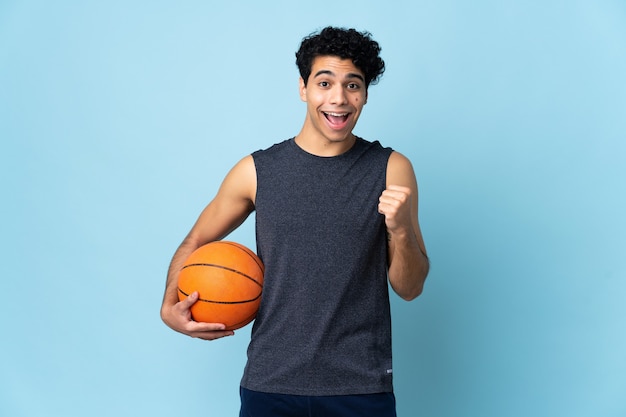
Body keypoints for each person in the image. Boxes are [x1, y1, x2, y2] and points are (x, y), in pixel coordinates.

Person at [161, 26, 429, 417]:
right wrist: (170, 306)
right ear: (303, 88)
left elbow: (411, 288)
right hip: (270, 382)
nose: (339, 98)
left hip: (359, 386)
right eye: (325, 82)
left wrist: (401, 230)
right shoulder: (256, 171)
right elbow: (194, 243)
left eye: (353, 85)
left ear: (366, 94)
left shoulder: (391, 169)